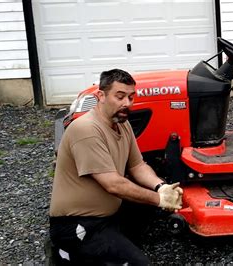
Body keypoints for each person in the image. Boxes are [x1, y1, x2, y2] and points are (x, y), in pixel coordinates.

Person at [49, 69, 182, 265]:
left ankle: (116, 248)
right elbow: (113, 185)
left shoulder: (122, 123)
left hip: (108, 214)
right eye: (119, 97)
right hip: (77, 224)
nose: (127, 103)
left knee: (145, 207)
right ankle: (67, 253)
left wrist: (160, 187)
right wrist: (159, 199)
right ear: (100, 96)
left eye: (130, 97)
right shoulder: (86, 129)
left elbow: (137, 165)